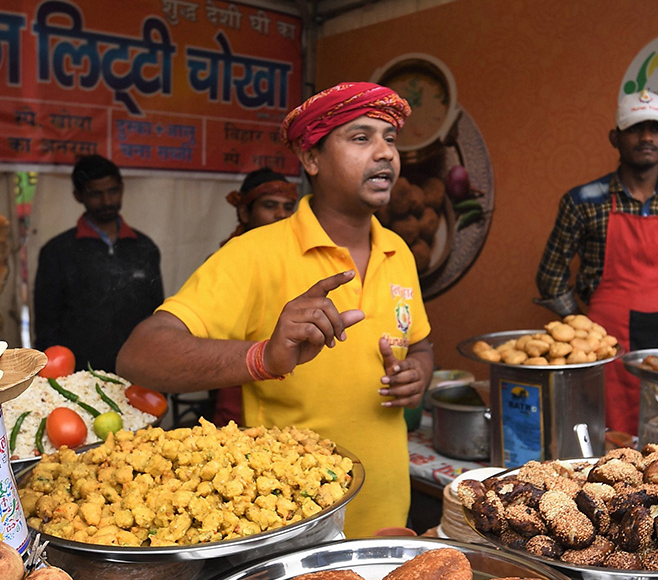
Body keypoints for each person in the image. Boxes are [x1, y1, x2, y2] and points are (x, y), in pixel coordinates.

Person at [117, 82, 434, 537]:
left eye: (390, 138)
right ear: (311, 159)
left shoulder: (397, 250)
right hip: (294, 529)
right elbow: (140, 355)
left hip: (388, 520)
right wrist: (261, 357)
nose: (384, 152)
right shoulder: (254, 253)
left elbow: (422, 345)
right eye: (361, 138)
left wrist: (418, 373)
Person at [534, 90, 658, 435]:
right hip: (604, 341)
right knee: (605, 436)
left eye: (655, 128)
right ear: (615, 137)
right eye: (635, 129)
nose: (646, 137)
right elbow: (550, 275)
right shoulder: (583, 201)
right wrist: (582, 327)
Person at [33, 155, 164, 372]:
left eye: (112, 191)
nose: (107, 201)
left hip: (139, 372)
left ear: (122, 188)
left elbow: (158, 316)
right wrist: (53, 380)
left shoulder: (145, 248)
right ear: (78, 196)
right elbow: (46, 326)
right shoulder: (57, 251)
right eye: (96, 194)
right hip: (80, 379)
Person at [211, 168, 299, 426]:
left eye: (288, 207)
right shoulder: (225, 262)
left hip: (292, 387)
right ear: (244, 212)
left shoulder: (300, 258)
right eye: (270, 206)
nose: (281, 215)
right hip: (238, 381)